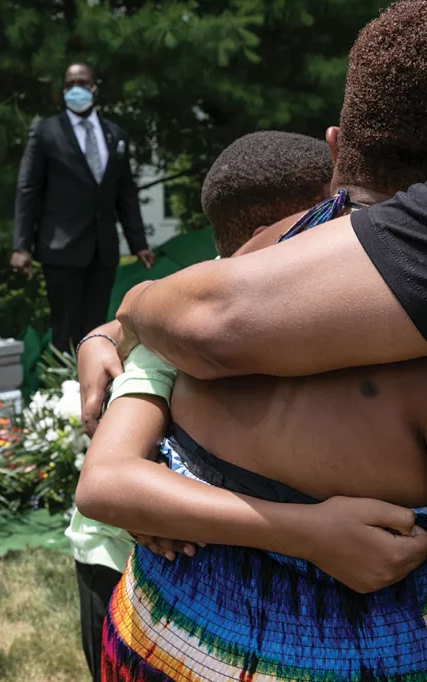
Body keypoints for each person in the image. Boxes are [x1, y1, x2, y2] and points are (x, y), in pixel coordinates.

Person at [83, 0, 427, 676]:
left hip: (150, 643)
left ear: (335, 146)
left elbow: (117, 459)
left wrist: (122, 315)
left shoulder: (240, 270)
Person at [66, 130, 337, 682]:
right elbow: (109, 486)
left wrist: (100, 335)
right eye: (329, 216)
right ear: (272, 235)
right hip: (118, 564)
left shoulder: (231, 297)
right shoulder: (191, 325)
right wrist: (313, 529)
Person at [12, 63, 155, 352]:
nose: (76, 88)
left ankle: (95, 389)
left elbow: (125, 193)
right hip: (61, 247)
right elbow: (28, 189)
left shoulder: (115, 135)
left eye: (83, 82)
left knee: (97, 328)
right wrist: (21, 245)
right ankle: (60, 392)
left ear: (94, 87)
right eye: (70, 84)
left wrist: (138, 242)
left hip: (103, 249)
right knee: (64, 327)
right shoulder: (45, 130)